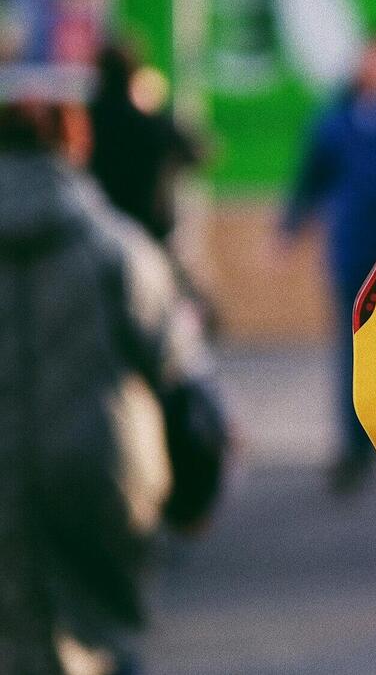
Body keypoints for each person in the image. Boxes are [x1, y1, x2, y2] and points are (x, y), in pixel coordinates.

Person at [0, 97, 218, 674]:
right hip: (99, 481)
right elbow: (179, 375)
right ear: (75, 147)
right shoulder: (114, 247)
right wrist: (194, 491)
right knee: (103, 640)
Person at [281, 34, 376, 492]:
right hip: (350, 253)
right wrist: (288, 229)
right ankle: (352, 446)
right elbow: (310, 177)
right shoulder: (337, 122)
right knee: (352, 352)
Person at [88, 43, 198, 243]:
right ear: (134, 75)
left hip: (98, 228)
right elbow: (196, 152)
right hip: (149, 229)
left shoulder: (86, 121)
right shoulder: (149, 120)